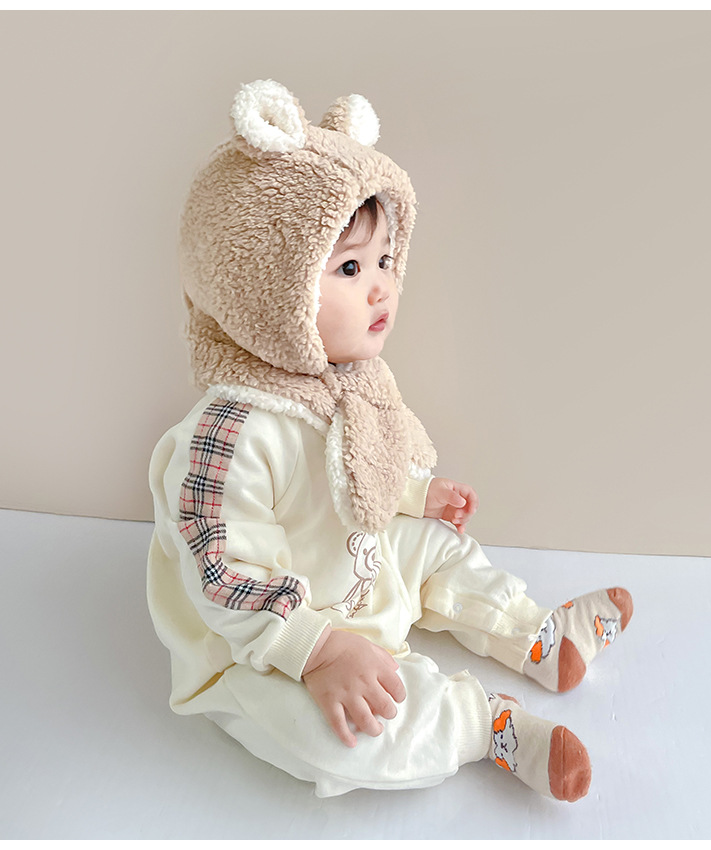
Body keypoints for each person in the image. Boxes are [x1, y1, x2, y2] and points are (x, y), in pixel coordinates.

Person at [147, 79, 633, 803]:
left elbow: (357, 464)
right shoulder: (230, 434)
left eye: (382, 261)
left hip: (358, 567)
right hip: (270, 640)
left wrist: (415, 493)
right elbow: (222, 572)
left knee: (437, 545)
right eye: (349, 268)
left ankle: (534, 635)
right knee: (334, 739)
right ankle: (485, 725)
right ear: (263, 289)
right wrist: (318, 650)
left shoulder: (350, 377)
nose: (381, 287)